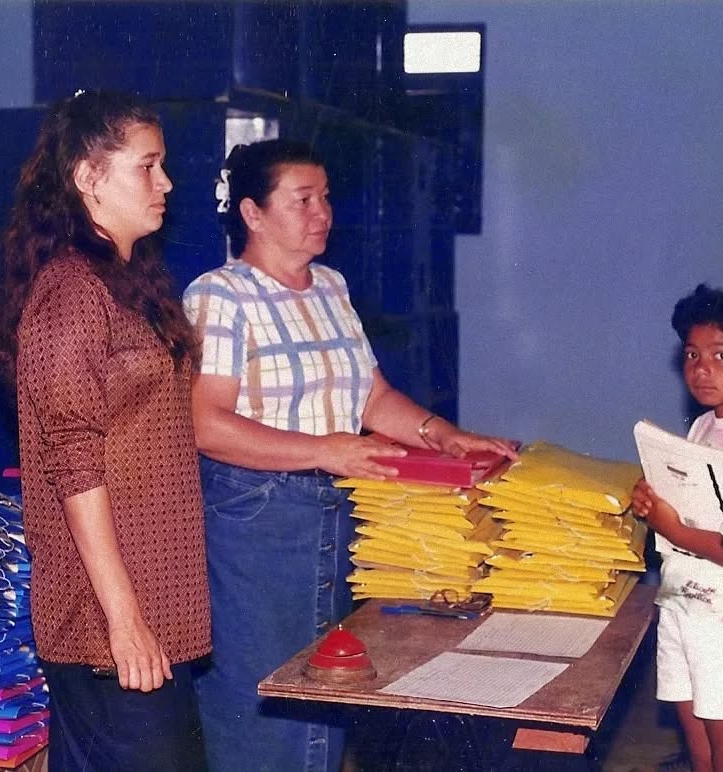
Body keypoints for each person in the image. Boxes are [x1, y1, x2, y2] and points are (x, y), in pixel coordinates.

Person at [182, 139, 518, 772]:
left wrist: (443, 434)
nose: (322, 212)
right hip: (256, 514)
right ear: (252, 214)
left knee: (333, 680)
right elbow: (206, 424)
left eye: (326, 197)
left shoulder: (330, 286)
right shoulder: (220, 296)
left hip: (338, 503)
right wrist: (326, 449)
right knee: (261, 690)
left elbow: (373, 397)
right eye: (303, 199)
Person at [0, 90, 209, 771]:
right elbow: (73, 465)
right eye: (147, 166)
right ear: (87, 176)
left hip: (146, 598)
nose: (165, 182)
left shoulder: (122, 281)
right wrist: (123, 619)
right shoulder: (71, 294)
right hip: (103, 618)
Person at [631, 283, 723, 772]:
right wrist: (652, 501)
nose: (701, 367)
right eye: (693, 354)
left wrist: (675, 531)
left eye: (722, 354)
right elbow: (692, 509)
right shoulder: (701, 427)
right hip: (686, 606)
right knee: (699, 752)